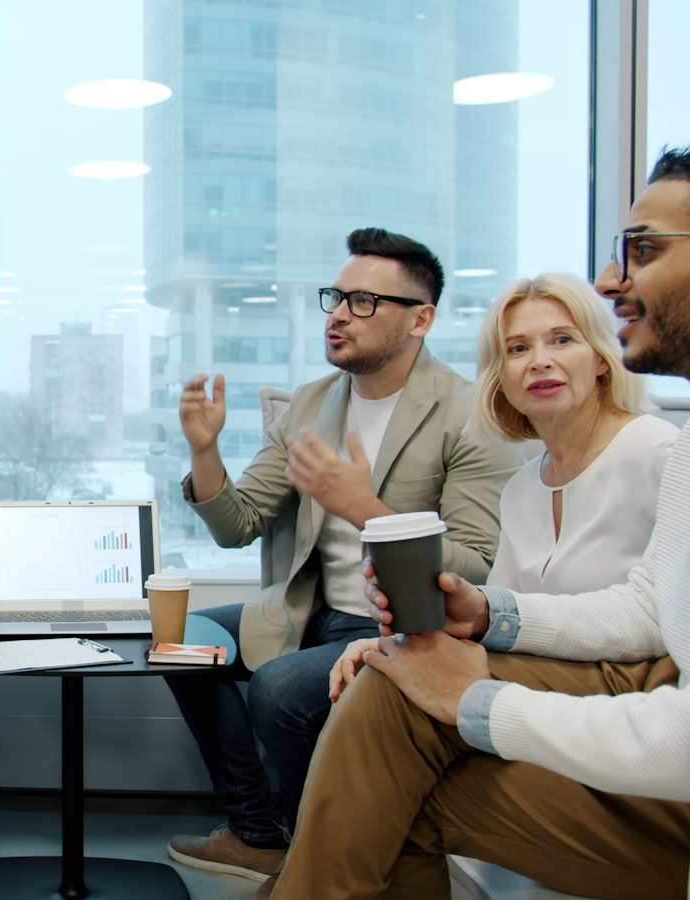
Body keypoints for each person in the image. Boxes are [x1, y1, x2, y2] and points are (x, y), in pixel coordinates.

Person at [273, 137, 690, 899]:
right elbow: (648, 603)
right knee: (385, 739)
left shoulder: (675, 449)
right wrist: (486, 615)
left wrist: (474, 700)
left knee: (369, 729)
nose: (613, 278)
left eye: (643, 250)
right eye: (516, 348)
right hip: (642, 709)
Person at [163, 227, 524, 886]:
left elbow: (477, 562)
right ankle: (259, 831)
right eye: (336, 296)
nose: (337, 314)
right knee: (180, 640)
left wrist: (367, 511)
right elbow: (237, 525)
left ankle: (322, 856)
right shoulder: (312, 403)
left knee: (280, 691)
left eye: (363, 301)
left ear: (421, 318)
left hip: (405, 626)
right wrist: (204, 451)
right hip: (311, 612)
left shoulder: (473, 412)